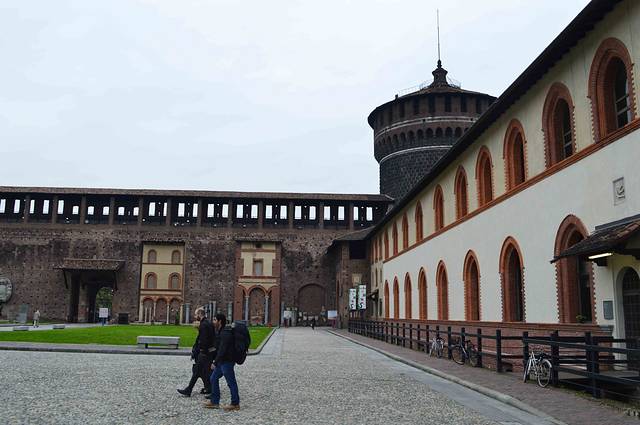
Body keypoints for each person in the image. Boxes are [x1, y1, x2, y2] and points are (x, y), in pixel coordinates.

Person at [204, 314, 240, 411]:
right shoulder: (220, 332)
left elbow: (222, 350)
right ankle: (214, 401)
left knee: (231, 382)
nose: (213, 322)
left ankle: (235, 403)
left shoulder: (225, 333)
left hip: (227, 361)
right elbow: (217, 347)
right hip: (222, 361)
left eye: (215, 320)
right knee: (213, 378)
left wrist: (215, 362)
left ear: (220, 321)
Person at [178, 307, 215, 397]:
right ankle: (191, 389)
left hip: (204, 353)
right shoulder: (208, 323)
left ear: (199, 314)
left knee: (203, 372)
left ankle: (210, 389)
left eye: (196, 315)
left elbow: (203, 340)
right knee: (198, 371)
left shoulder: (203, 325)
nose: (195, 317)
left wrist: (201, 350)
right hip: (207, 352)